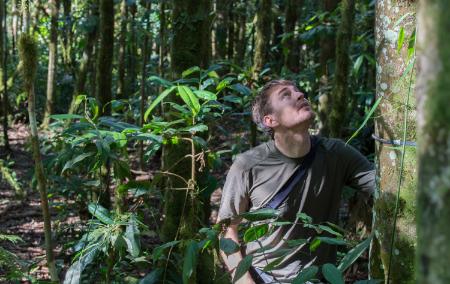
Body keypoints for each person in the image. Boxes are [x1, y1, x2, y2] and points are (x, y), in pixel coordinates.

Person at [217, 80, 375, 283]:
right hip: (265, 277)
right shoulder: (248, 166)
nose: (300, 95)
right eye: (286, 95)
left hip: (320, 278)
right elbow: (227, 230)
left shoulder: (336, 154)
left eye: (298, 91)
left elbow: (385, 186)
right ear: (270, 120)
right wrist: (244, 281)